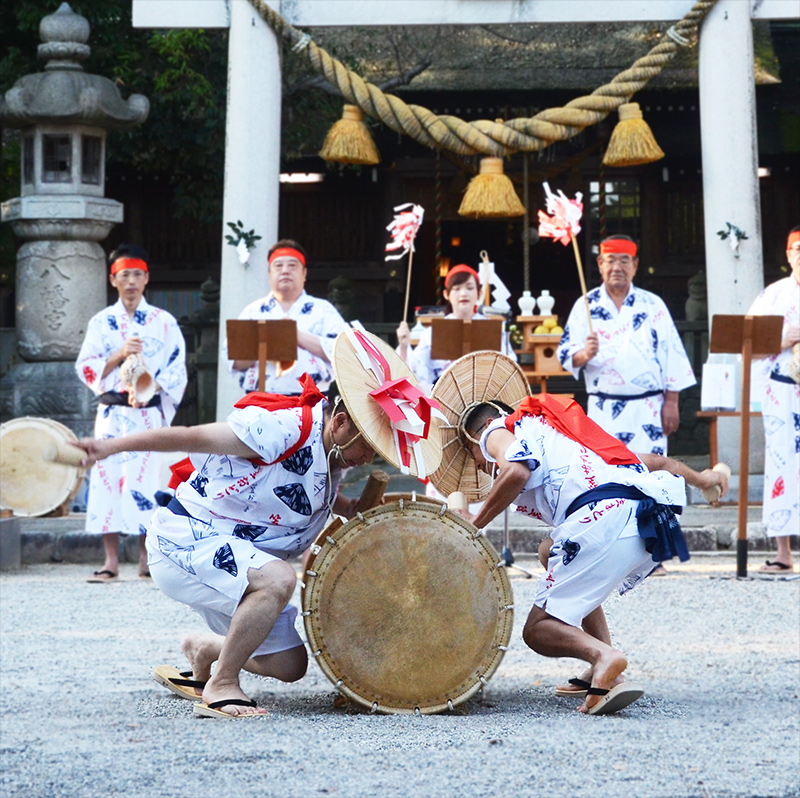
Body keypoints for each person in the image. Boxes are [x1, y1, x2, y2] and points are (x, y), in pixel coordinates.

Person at [74, 330, 440, 718]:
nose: (369, 458)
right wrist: (110, 447)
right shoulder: (282, 428)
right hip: (187, 540)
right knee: (280, 579)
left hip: (240, 561)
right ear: (342, 422)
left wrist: (352, 509)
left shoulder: (333, 454)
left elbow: (301, 492)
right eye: (368, 446)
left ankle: (208, 650)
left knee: (289, 666)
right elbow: (191, 436)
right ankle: (223, 683)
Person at [456, 388, 729, 715]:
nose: (479, 465)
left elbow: (517, 471)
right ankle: (609, 669)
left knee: (538, 630)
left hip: (602, 522)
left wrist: (475, 522)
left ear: (477, 433)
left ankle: (604, 657)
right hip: (647, 523)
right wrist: (702, 479)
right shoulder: (562, 432)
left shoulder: (494, 431)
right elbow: (656, 462)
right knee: (549, 551)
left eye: (471, 455)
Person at [75, 245, 187, 583]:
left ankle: (145, 558)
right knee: (107, 477)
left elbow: (177, 369)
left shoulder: (164, 322)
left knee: (147, 481)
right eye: (125, 275)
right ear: (114, 280)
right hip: (113, 412)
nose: (132, 281)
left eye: (138, 274)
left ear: (147, 278)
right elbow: (86, 366)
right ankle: (110, 561)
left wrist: (148, 390)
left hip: (147, 413)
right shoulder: (101, 322)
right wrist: (118, 354)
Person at [557, 235, 696, 457]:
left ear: (635, 265)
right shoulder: (586, 305)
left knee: (652, 476)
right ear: (600, 264)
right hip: (603, 409)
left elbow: (672, 355)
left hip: (649, 409)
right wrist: (585, 354)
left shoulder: (653, 305)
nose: (617, 267)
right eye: (610, 260)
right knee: (607, 477)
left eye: (624, 260)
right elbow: (565, 355)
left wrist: (672, 403)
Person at [228, 239, 348, 395]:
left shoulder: (323, 310)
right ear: (269, 273)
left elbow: (343, 352)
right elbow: (233, 361)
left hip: (311, 401)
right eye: (278, 266)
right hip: (260, 400)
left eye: (292, 265)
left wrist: (294, 334)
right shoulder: (253, 311)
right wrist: (267, 341)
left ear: (304, 273)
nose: (285, 271)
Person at [746, 226, 800, 574]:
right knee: (782, 465)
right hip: (783, 390)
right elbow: (747, 345)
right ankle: (784, 552)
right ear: (788, 253)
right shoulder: (772, 296)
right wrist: (783, 338)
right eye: (797, 248)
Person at [396, 264, 517, 392]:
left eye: (469, 288)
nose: (463, 293)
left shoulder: (492, 330)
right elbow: (417, 371)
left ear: (479, 293)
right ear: (446, 294)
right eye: (457, 289)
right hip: (446, 396)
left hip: (486, 396)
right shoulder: (433, 333)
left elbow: (509, 367)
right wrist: (403, 347)